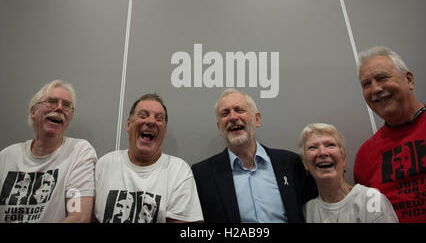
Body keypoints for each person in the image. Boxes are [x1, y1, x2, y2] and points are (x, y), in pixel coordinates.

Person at [354, 46, 426, 222]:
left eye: (382, 78)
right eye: (366, 84)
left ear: (409, 80)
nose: (375, 89)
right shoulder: (365, 156)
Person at [192, 88, 317, 223]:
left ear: (257, 119)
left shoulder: (290, 163)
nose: (233, 117)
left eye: (239, 110)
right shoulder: (202, 175)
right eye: (225, 113)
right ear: (219, 128)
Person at [94, 93, 203, 223]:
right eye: (143, 115)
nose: (151, 121)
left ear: (165, 131)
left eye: (159, 118)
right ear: (128, 125)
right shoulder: (105, 164)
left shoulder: (178, 171)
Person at [0, 80, 97, 223]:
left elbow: (78, 217)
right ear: (34, 111)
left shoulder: (78, 152)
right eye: (51, 102)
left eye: (66, 105)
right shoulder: (6, 157)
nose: (59, 108)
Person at [299, 123, 398, 223]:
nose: (323, 152)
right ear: (305, 164)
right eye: (313, 148)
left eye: (330, 145)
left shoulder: (371, 200)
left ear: (343, 158)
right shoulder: (306, 211)